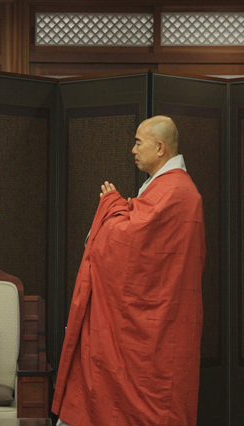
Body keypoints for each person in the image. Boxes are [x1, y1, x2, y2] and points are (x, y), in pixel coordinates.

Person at [52, 115, 206, 425]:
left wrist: (112, 205)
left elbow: (129, 246)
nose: (133, 150)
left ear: (160, 148)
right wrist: (120, 208)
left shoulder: (174, 191)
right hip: (163, 320)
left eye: (138, 142)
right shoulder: (171, 188)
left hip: (158, 327)